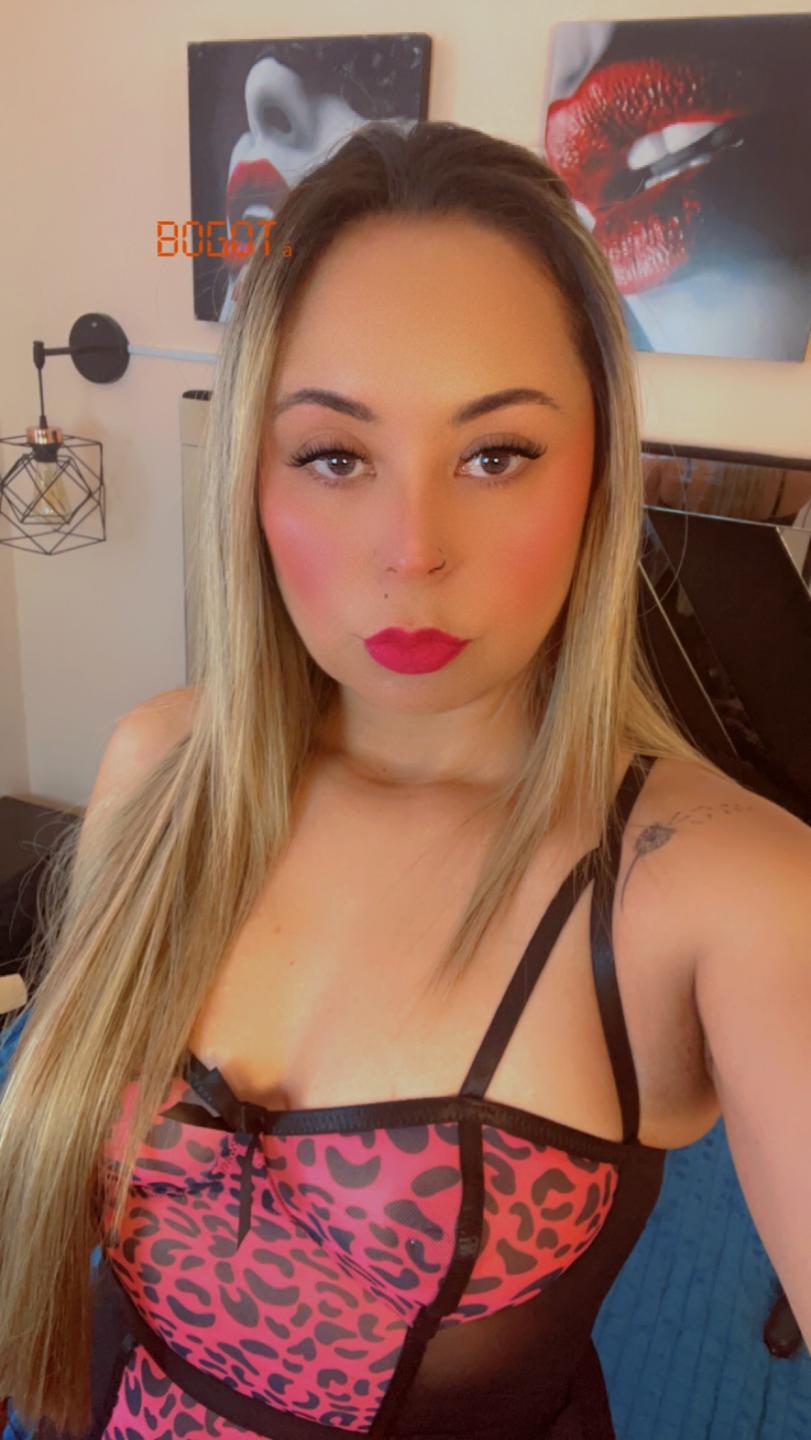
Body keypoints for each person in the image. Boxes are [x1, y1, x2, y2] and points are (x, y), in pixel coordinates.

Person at [0, 119, 808, 1440]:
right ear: (253, 480)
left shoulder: (719, 891)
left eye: (497, 455)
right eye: (334, 455)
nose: (413, 549)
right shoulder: (159, 769)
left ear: (599, 471)